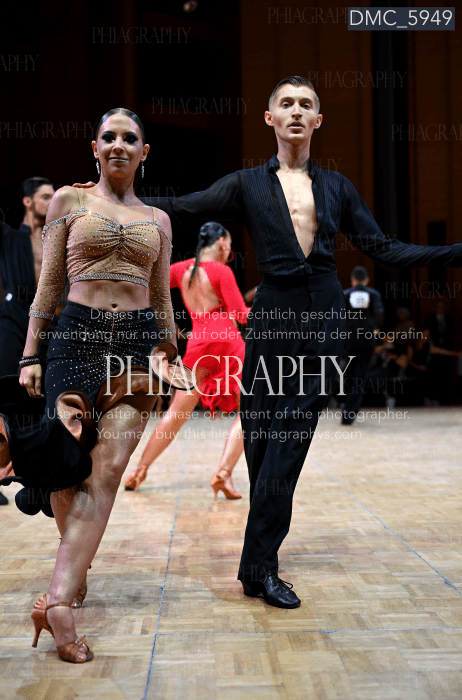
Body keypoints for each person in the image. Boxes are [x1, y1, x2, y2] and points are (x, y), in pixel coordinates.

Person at [76, 76, 462, 609]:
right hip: (272, 317)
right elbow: (183, 207)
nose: (296, 111)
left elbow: (386, 248)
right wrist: (110, 198)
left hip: (323, 315)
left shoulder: (337, 187)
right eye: (287, 104)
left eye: (306, 104)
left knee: (290, 437)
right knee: (258, 439)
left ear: (317, 120)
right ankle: (261, 564)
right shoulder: (245, 184)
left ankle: (259, 565)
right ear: (270, 118)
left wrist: (454, 253)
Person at [0, 108, 180, 662]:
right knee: (65, 468)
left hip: (137, 347)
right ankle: (73, 568)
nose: (119, 144)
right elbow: (49, 284)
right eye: (109, 137)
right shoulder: (68, 202)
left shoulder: (158, 219)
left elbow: (162, 296)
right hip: (75, 340)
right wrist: (31, 354)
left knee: (107, 471)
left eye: (130, 138)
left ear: (144, 152)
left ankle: (56, 602)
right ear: (94, 148)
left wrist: (170, 351)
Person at [124, 221, 250, 498]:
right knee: (251, 413)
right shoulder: (222, 271)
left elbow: (147, 288)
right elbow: (241, 315)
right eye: (229, 244)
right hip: (227, 342)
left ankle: (138, 471)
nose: (229, 250)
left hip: (198, 343)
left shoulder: (181, 269)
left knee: (176, 413)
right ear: (221, 243)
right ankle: (223, 473)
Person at [0, 177, 55, 506]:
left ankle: (35, 481)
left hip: (47, 323)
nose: (52, 201)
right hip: (13, 318)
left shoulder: (57, 238)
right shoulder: (7, 235)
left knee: (42, 401)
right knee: (0, 393)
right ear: (27, 201)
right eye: (45, 196)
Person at [341, 265, 384, 425]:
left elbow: (339, 315)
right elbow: (379, 313)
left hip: (351, 337)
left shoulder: (346, 293)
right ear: (367, 280)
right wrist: (376, 328)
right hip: (367, 336)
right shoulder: (373, 294)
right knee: (361, 374)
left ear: (352, 280)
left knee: (349, 372)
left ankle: (349, 408)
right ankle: (350, 410)